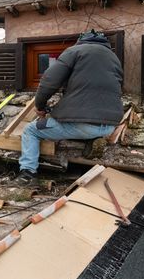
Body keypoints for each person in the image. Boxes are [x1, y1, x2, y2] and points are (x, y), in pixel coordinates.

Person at [16, 30, 123, 185]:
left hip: (80, 124)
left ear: (81, 40)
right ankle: (91, 139)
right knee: (74, 123)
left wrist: (40, 105)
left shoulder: (74, 51)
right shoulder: (113, 57)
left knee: (31, 130)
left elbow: (48, 82)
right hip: (109, 126)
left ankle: (27, 173)